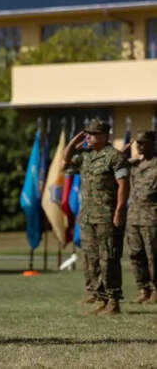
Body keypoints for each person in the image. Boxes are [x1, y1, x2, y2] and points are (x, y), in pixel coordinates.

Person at [63, 118, 129, 315]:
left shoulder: (115, 157)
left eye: (91, 134)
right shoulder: (86, 156)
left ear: (103, 135)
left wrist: (119, 211)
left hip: (107, 216)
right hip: (87, 216)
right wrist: (74, 142)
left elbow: (124, 185)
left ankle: (113, 300)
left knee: (109, 258)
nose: (88, 137)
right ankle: (100, 298)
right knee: (91, 259)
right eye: (87, 134)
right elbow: (66, 160)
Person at [125, 130, 157, 304]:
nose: (139, 146)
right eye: (138, 143)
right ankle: (143, 289)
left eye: (143, 142)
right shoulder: (134, 165)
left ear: (153, 143)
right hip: (133, 217)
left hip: (152, 217)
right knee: (136, 254)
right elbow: (115, 164)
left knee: (153, 255)